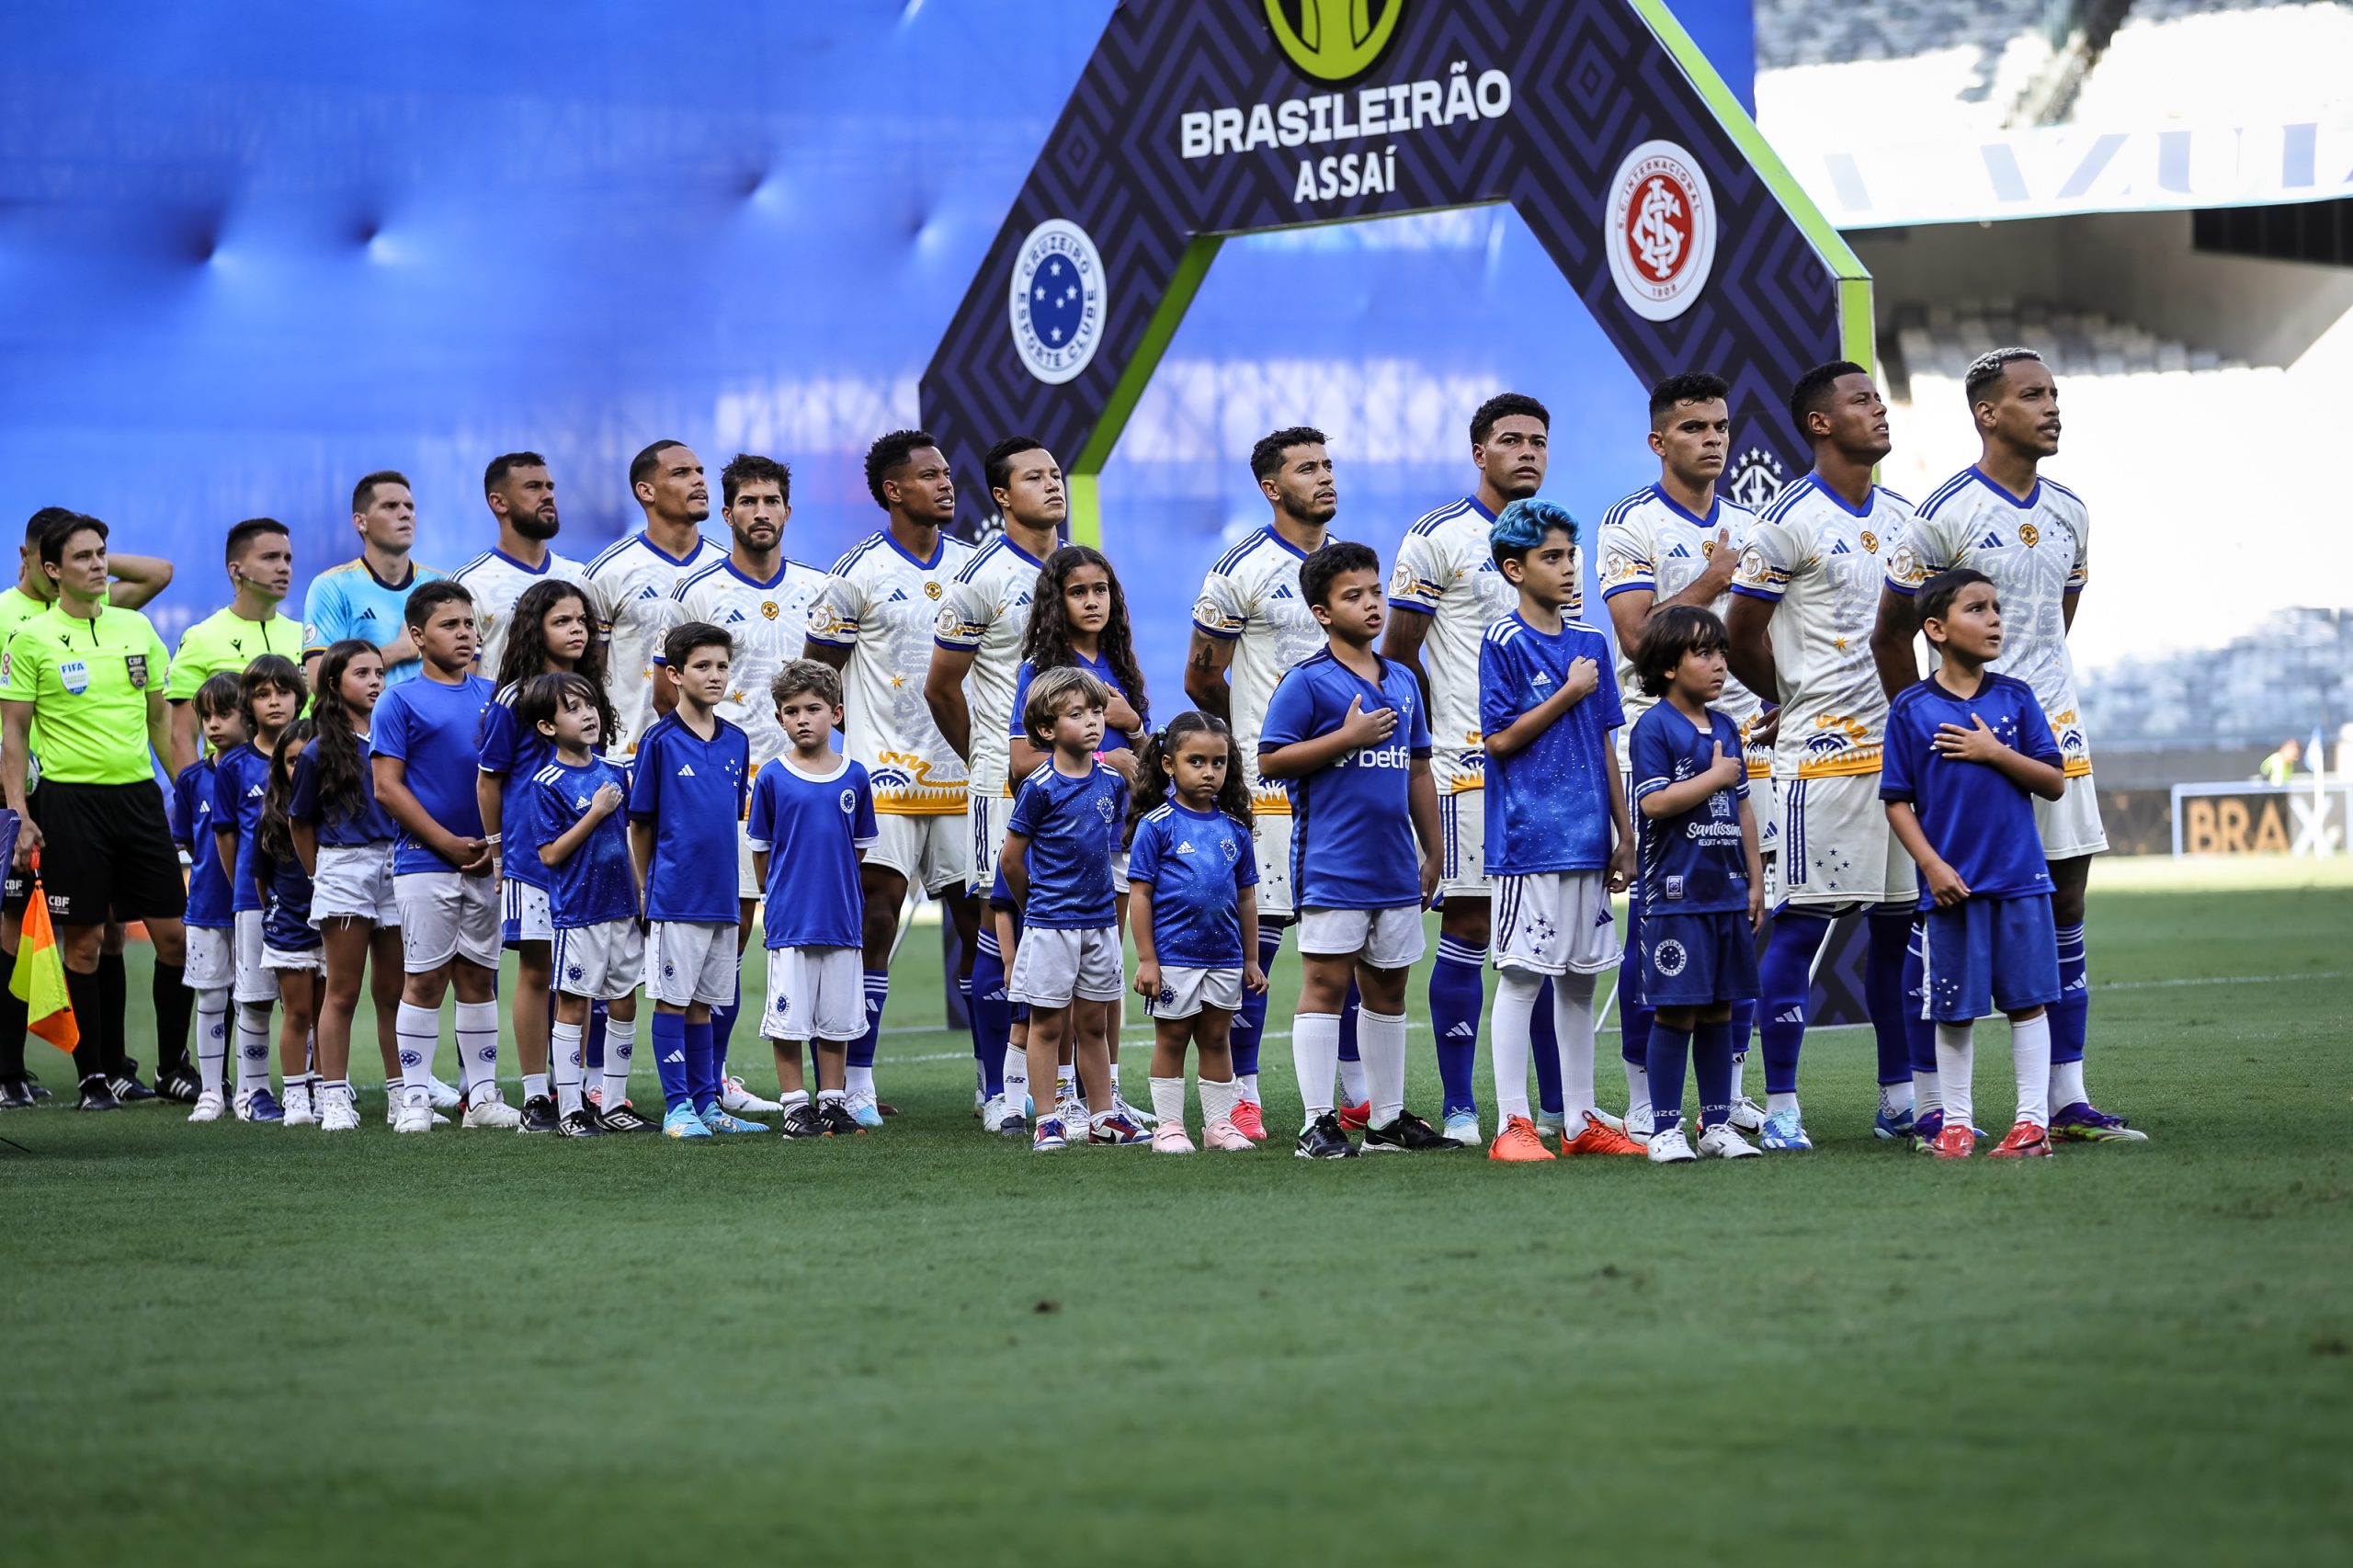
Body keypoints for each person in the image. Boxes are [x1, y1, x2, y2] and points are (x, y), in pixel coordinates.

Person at [1874, 347, 2142, 1144]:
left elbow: (2056, 618)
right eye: (2033, 395)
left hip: (2050, 733)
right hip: (1961, 750)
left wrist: (2028, 714)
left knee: (2064, 908)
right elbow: (1892, 633)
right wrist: (1923, 733)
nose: (2052, 407)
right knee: (1943, 914)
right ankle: (1933, 1106)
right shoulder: (1944, 515)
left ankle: (2067, 1099)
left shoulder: (2071, 509)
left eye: (2055, 393)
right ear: (1988, 413)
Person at [1725, 361, 1919, 1152]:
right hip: (1822, 759)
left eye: (1878, 398)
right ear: (1819, 423)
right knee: (1800, 929)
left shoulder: (1910, 518)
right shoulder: (1787, 521)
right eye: (1860, 401)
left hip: (1899, 758)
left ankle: (1900, 1099)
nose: (1877, 410)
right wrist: (1790, 699)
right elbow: (1740, 631)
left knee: (1899, 931)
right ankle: (1782, 1106)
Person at [1382, 392, 1566, 1144]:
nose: (1527, 452)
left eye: (1538, 441)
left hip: (1547, 774)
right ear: (1479, 453)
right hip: (1468, 771)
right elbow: (1397, 656)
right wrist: (1440, 740)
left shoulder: (1557, 538)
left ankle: (1561, 1108)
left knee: (1549, 940)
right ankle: (1462, 1107)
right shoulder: (1437, 537)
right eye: (1511, 440)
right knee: (1469, 923)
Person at [1597, 373, 1773, 1139]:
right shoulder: (1630, 524)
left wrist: (1773, 697)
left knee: (1732, 923)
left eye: (1722, 427)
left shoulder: (1752, 522)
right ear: (1658, 440)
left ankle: (1722, 1100)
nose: (1713, 439)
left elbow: (1765, 631)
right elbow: (1635, 639)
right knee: (1659, 927)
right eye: (1696, 427)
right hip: (1660, 743)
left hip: (1734, 744)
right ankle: (1646, 1096)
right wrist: (1710, 579)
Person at [1184, 426, 1365, 1139]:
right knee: (1253, 952)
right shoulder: (1243, 569)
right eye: (1306, 468)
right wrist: (1261, 743)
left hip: (1347, 794)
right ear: (1271, 487)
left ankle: (1359, 1095)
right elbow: (1203, 676)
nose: (1323, 477)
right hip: (1272, 798)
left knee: (1352, 945)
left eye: (1327, 465)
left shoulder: (1350, 567)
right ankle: (1244, 1094)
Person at [802, 429, 981, 1126]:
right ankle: (858, 1083)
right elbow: (818, 674)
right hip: (886, 778)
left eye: (947, 474)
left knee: (982, 924)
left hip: (968, 778)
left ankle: (997, 1088)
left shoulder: (976, 567)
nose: (945, 485)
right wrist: (848, 754)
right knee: (875, 922)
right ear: (892, 491)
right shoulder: (857, 573)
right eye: (929, 476)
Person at [1259, 540, 1451, 1158]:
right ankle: (1317, 1122)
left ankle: (1387, 1120)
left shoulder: (1402, 679)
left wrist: (1435, 850)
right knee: (1324, 984)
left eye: (1376, 592)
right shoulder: (1307, 682)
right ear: (1321, 611)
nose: (1372, 605)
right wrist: (1346, 737)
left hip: (1394, 866)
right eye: (1353, 596)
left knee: (1389, 989)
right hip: (1331, 865)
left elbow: (1418, 770)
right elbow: (1271, 760)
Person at [0, 513, 188, 1111]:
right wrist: (19, 812)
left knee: (176, 940)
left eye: (102, 553)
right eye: (83, 557)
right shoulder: (30, 639)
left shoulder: (137, 627)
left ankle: (174, 1066)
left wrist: (188, 790)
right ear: (51, 570)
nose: (99, 564)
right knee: (81, 945)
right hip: (69, 803)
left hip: (138, 801)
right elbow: (14, 734)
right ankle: (92, 1078)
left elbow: (161, 722)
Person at [1477, 502, 1647, 1162]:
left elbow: (1606, 744)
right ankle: (1512, 1124)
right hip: (1528, 840)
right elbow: (1499, 740)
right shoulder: (1504, 641)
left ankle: (1579, 1119)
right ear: (1515, 569)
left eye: (1571, 555)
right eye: (1552, 557)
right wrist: (1568, 693)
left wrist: (1623, 831)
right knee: (1522, 978)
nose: (1568, 566)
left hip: (1586, 840)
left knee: (1580, 979)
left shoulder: (1591, 644)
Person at [1880, 569, 2067, 1158]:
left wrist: (1995, 751)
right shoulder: (1911, 707)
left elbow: (2054, 781)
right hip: (1952, 887)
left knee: (2027, 1001)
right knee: (1954, 1009)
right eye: (1977, 609)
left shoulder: (2016, 697)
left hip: (2019, 880)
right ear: (1936, 629)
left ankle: (2032, 1124)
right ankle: (1955, 1123)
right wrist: (1932, 866)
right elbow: (1897, 800)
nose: (1994, 620)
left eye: (1996, 609)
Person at [669, 451, 826, 1114]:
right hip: (729, 798)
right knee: (726, 940)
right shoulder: (699, 593)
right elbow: (666, 698)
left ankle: (842, 1083)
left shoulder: (820, 590)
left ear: (788, 511)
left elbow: (828, 691)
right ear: (728, 512)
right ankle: (715, 1082)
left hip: (805, 794)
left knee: (813, 935)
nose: (761, 513)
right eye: (748, 502)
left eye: (772, 501)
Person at [926, 436, 1064, 1133]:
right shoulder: (981, 579)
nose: (1052, 485)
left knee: (1073, 929)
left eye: (1056, 473)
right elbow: (941, 686)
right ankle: (997, 1089)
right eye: (1034, 477)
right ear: (1003, 497)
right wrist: (987, 757)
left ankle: (1071, 1087)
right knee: (997, 927)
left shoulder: (1080, 571)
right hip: (1004, 788)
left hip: (1079, 784)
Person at [1006, 544, 1154, 1131]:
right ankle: (1051, 1099)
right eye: (1078, 591)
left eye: (1101, 590)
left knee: (1103, 980)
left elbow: (1148, 764)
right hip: (1064, 848)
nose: (1092, 601)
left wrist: (1135, 729)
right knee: (1055, 989)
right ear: (1055, 601)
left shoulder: (1120, 663)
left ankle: (1105, 1097)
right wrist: (1107, 754)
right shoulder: (1039, 670)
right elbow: (1021, 762)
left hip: (1119, 838)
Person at [1626, 607, 1766, 1163]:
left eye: (1722, 653)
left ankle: (1716, 1125)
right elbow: (1654, 803)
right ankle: (1664, 1129)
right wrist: (1713, 777)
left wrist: (1755, 880)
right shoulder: (1654, 726)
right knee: (1676, 1012)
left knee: (1719, 1011)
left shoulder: (1728, 726)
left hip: (1727, 894)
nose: (1719, 664)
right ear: (1667, 666)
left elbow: (1744, 807)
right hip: (1676, 898)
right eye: (1704, 653)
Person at [292, 640, 448, 1127]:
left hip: (396, 864)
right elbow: (299, 821)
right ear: (334, 684)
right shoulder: (319, 748)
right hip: (345, 868)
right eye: (362, 673)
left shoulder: (395, 737)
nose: (376, 681)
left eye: (379, 672)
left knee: (394, 990)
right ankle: (333, 1097)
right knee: (342, 989)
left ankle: (403, 1095)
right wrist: (321, 874)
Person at [478, 578, 613, 1133]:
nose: (577, 629)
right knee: (537, 971)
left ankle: (574, 1096)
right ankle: (537, 1095)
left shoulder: (588, 690)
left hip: (583, 862)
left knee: (577, 980)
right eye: (563, 621)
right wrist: (495, 852)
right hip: (533, 861)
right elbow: (490, 779)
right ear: (535, 628)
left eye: (582, 620)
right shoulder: (515, 697)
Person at [372, 581, 508, 1131]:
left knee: (479, 979)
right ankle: (413, 1098)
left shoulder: (496, 696)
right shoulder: (398, 699)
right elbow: (388, 787)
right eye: (450, 625)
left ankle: (481, 1099)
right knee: (424, 979)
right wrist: (446, 842)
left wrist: (495, 847)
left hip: (487, 862)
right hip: (424, 862)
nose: (464, 634)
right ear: (417, 636)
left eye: (469, 624)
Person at [1000, 667, 1142, 1152]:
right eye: (1077, 714)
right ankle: (1048, 1120)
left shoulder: (1113, 782)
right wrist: (1034, 906)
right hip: (1050, 926)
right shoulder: (1039, 787)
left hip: (1101, 925)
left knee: (1094, 1024)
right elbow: (1011, 860)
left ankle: (1103, 1116)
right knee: (1048, 1025)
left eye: (1097, 712)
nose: (1093, 722)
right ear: (1046, 729)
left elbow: (1115, 850)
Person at [629, 621, 759, 1139]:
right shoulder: (659, 741)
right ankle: (677, 1107)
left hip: (722, 896)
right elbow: (641, 824)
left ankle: (707, 1104)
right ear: (675, 675)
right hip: (676, 895)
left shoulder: (738, 741)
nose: (715, 676)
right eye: (702, 667)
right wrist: (643, 891)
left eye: (722, 666)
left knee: (706, 1003)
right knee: (674, 1000)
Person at [747, 660, 877, 1140]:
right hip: (791, 921)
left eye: (814, 709)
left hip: (841, 919)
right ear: (780, 718)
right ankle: (794, 1105)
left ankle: (832, 1102)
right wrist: (781, 895)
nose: (803, 719)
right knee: (790, 1018)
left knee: (838, 1019)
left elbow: (858, 847)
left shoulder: (856, 776)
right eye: (791, 710)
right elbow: (761, 852)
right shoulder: (772, 778)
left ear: (836, 713)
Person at [1126, 712, 1266, 1153]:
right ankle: (1169, 1126)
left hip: (1224, 957)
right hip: (1173, 958)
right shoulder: (1157, 825)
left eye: (1219, 763)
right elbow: (1140, 896)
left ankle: (1218, 1126)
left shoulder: (1236, 829)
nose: (1209, 772)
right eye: (1197, 761)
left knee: (1216, 1038)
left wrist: (1250, 958)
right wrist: (1148, 959)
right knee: (1171, 1039)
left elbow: (1246, 898)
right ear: (1169, 765)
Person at [520, 672, 652, 1137]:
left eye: (589, 704)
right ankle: (572, 1108)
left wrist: (641, 896)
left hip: (622, 909)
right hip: (580, 913)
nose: (588, 714)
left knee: (623, 1000)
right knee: (573, 1006)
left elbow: (634, 839)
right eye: (572, 708)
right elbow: (550, 854)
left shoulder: (617, 771)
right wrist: (594, 812)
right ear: (547, 727)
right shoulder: (547, 782)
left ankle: (613, 1103)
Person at [584, 440, 722, 759]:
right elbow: (589, 675)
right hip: (635, 758)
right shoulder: (607, 573)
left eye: (700, 472)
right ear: (646, 491)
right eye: (681, 473)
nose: (698, 480)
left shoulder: (725, 569)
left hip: (717, 759)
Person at [214, 655, 306, 1122]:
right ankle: (252, 1094)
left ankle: (310, 1087)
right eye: (263, 694)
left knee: (309, 996)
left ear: (299, 697)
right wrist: (247, 891)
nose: (274, 702)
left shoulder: (316, 749)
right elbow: (227, 835)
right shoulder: (233, 765)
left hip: (313, 899)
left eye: (283, 692)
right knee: (254, 996)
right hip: (256, 901)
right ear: (248, 703)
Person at [166, 517, 303, 777]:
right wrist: (200, 798)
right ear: (235, 570)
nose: (283, 568)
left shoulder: (303, 635)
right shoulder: (201, 638)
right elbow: (182, 737)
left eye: (287, 559)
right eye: (270, 558)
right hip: (235, 796)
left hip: (301, 791)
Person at [173, 674, 244, 1122]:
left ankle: (261, 1090)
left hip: (259, 908)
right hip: (207, 907)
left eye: (224, 714)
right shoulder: (192, 780)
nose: (213, 725)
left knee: (258, 1000)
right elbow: (192, 843)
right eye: (206, 717)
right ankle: (211, 1091)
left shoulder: (267, 770)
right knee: (211, 996)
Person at [303, 471, 445, 687]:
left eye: (409, 507)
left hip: (432, 721)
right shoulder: (332, 586)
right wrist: (402, 649)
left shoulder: (441, 586)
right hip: (364, 722)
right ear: (361, 522)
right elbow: (320, 680)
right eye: (390, 506)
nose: (405, 514)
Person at [453, 451, 585, 680]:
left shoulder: (579, 576)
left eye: (550, 487)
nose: (548, 496)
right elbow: (461, 683)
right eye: (533, 487)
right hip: (504, 715)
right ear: (499, 502)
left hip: (573, 712)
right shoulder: (469, 583)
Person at [255, 721, 328, 1126]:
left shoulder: (335, 812)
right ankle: (296, 1095)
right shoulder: (272, 816)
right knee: (297, 1012)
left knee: (325, 1012)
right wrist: (278, 914)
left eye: (307, 759)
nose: (300, 768)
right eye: (291, 760)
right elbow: (259, 879)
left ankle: (324, 1087)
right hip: (289, 927)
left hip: (330, 925)